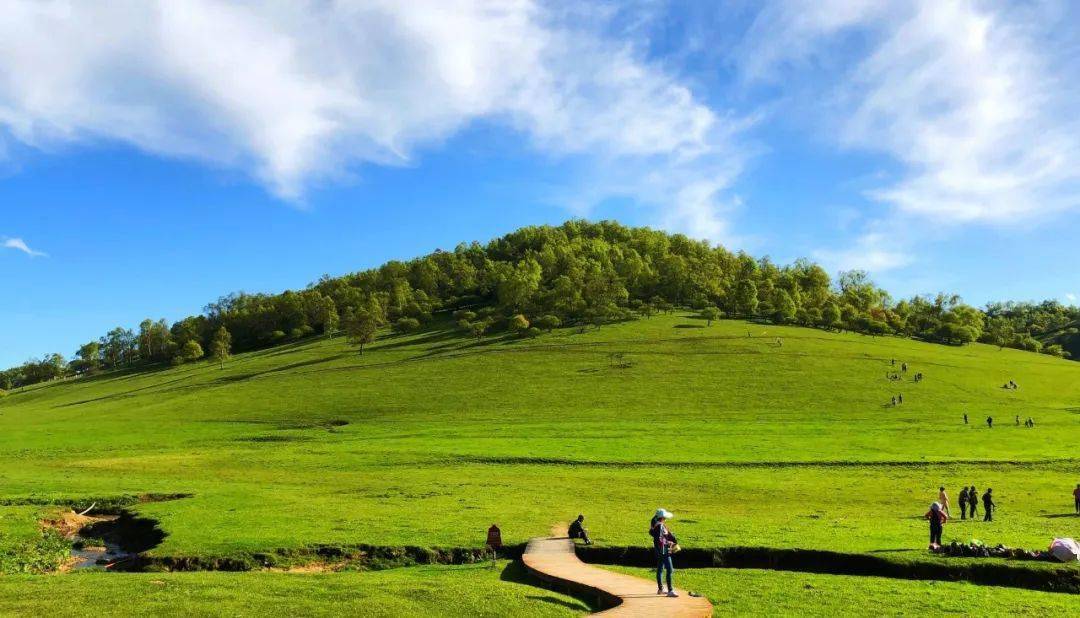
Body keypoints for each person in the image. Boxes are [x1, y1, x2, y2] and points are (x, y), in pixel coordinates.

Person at [649, 508, 679, 597]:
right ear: (662, 517)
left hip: (660, 550)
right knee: (669, 569)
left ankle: (661, 589)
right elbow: (659, 540)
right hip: (663, 550)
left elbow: (659, 538)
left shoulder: (656, 525)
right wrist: (668, 543)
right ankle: (670, 590)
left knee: (660, 569)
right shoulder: (660, 526)